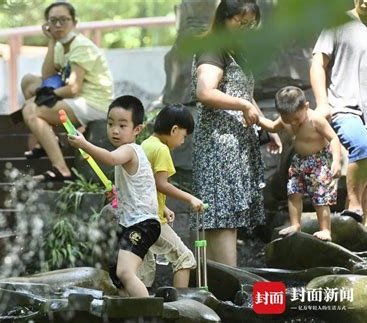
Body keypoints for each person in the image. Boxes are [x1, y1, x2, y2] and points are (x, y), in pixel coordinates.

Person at [191, 0, 282, 267]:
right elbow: (205, 91)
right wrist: (243, 106)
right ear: (223, 19)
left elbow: (244, 94)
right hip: (218, 146)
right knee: (222, 215)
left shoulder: (236, 51)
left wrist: (266, 127)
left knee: (227, 215)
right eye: (240, 23)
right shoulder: (212, 48)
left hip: (236, 146)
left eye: (250, 24)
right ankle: (229, 282)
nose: (245, 29)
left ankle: (219, 284)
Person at [67, 95, 160, 297]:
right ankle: (131, 310)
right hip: (131, 223)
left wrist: (84, 144)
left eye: (122, 125)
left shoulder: (129, 150)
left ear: (137, 129)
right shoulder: (126, 151)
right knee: (117, 273)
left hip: (143, 224)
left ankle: (149, 314)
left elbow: (109, 159)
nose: (115, 130)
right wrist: (118, 197)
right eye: (110, 124)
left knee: (125, 272)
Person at [21, 2, 113, 181]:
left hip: (93, 103)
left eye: (63, 20)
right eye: (53, 20)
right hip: (76, 97)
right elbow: (47, 76)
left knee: (31, 109)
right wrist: (51, 41)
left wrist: (44, 98)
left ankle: (61, 169)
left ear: (74, 22)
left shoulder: (81, 46)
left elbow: (73, 88)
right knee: (28, 82)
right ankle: (47, 138)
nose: (58, 25)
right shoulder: (60, 45)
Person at [310, 0, 367, 224]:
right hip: (344, 107)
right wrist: (322, 102)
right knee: (364, 147)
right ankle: (353, 204)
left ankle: (354, 225)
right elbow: (318, 64)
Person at [259, 86, 341, 241]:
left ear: (306, 107)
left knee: (320, 198)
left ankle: (325, 230)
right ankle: (295, 224)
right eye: (289, 120)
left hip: (319, 161)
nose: (293, 123)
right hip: (298, 161)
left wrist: (336, 161)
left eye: (296, 119)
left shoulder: (315, 119)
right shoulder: (285, 119)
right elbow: (271, 127)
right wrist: (256, 118)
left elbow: (334, 138)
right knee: (293, 193)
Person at [137, 105, 204, 288]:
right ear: (174, 130)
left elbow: (147, 184)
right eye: (184, 136)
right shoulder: (161, 150)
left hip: (140, 219)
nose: (183, 142)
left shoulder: (146, 144)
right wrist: (190, 198)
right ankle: (180, 308)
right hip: (153, 221)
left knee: (144, 271)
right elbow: (162, 184)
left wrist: (164, 207)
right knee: (184, 258)